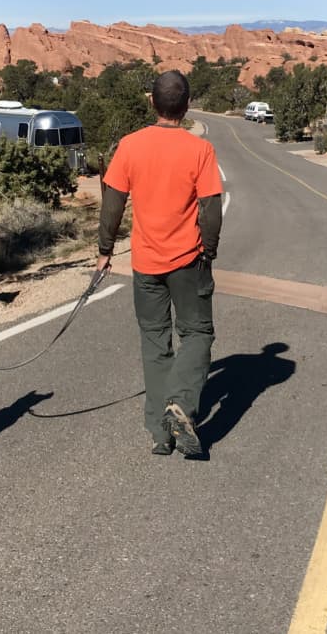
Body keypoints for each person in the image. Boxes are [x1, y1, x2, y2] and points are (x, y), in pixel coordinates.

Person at [96, 69, 223, 457]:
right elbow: (211, 207)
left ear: (152, 102)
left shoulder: (130, 146)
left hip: (145, 263)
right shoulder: (199, 150)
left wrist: (104, 250)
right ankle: (181, 405)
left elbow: (112, 202)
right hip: (188, 261)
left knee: (155, 342)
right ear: (186, 107)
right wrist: (210, 249)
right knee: (197, 334)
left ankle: (159, 432)